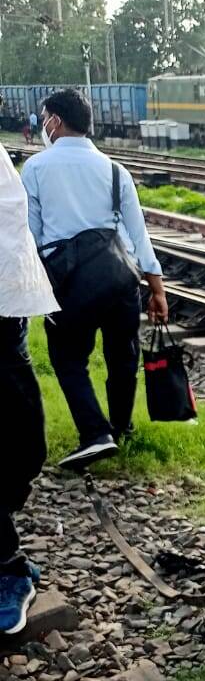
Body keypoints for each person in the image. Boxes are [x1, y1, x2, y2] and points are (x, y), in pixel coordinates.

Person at [21, 88, 168, 470]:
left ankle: (95, 434)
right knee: (123, 356)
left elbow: (32, 236)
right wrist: (157, 290)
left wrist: (35, 289)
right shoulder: (116, 171)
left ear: (55, 121)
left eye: (44, 119)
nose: (43, 125)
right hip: (119, 279)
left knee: (68, 359)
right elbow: (139, 237)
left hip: (69, 285)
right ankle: (120, 427)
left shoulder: (36, 168)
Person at [0, 143, 56, 633]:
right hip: (10, 303)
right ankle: (8, 565)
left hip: (4, 308)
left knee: (22, 440)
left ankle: (8, 570)